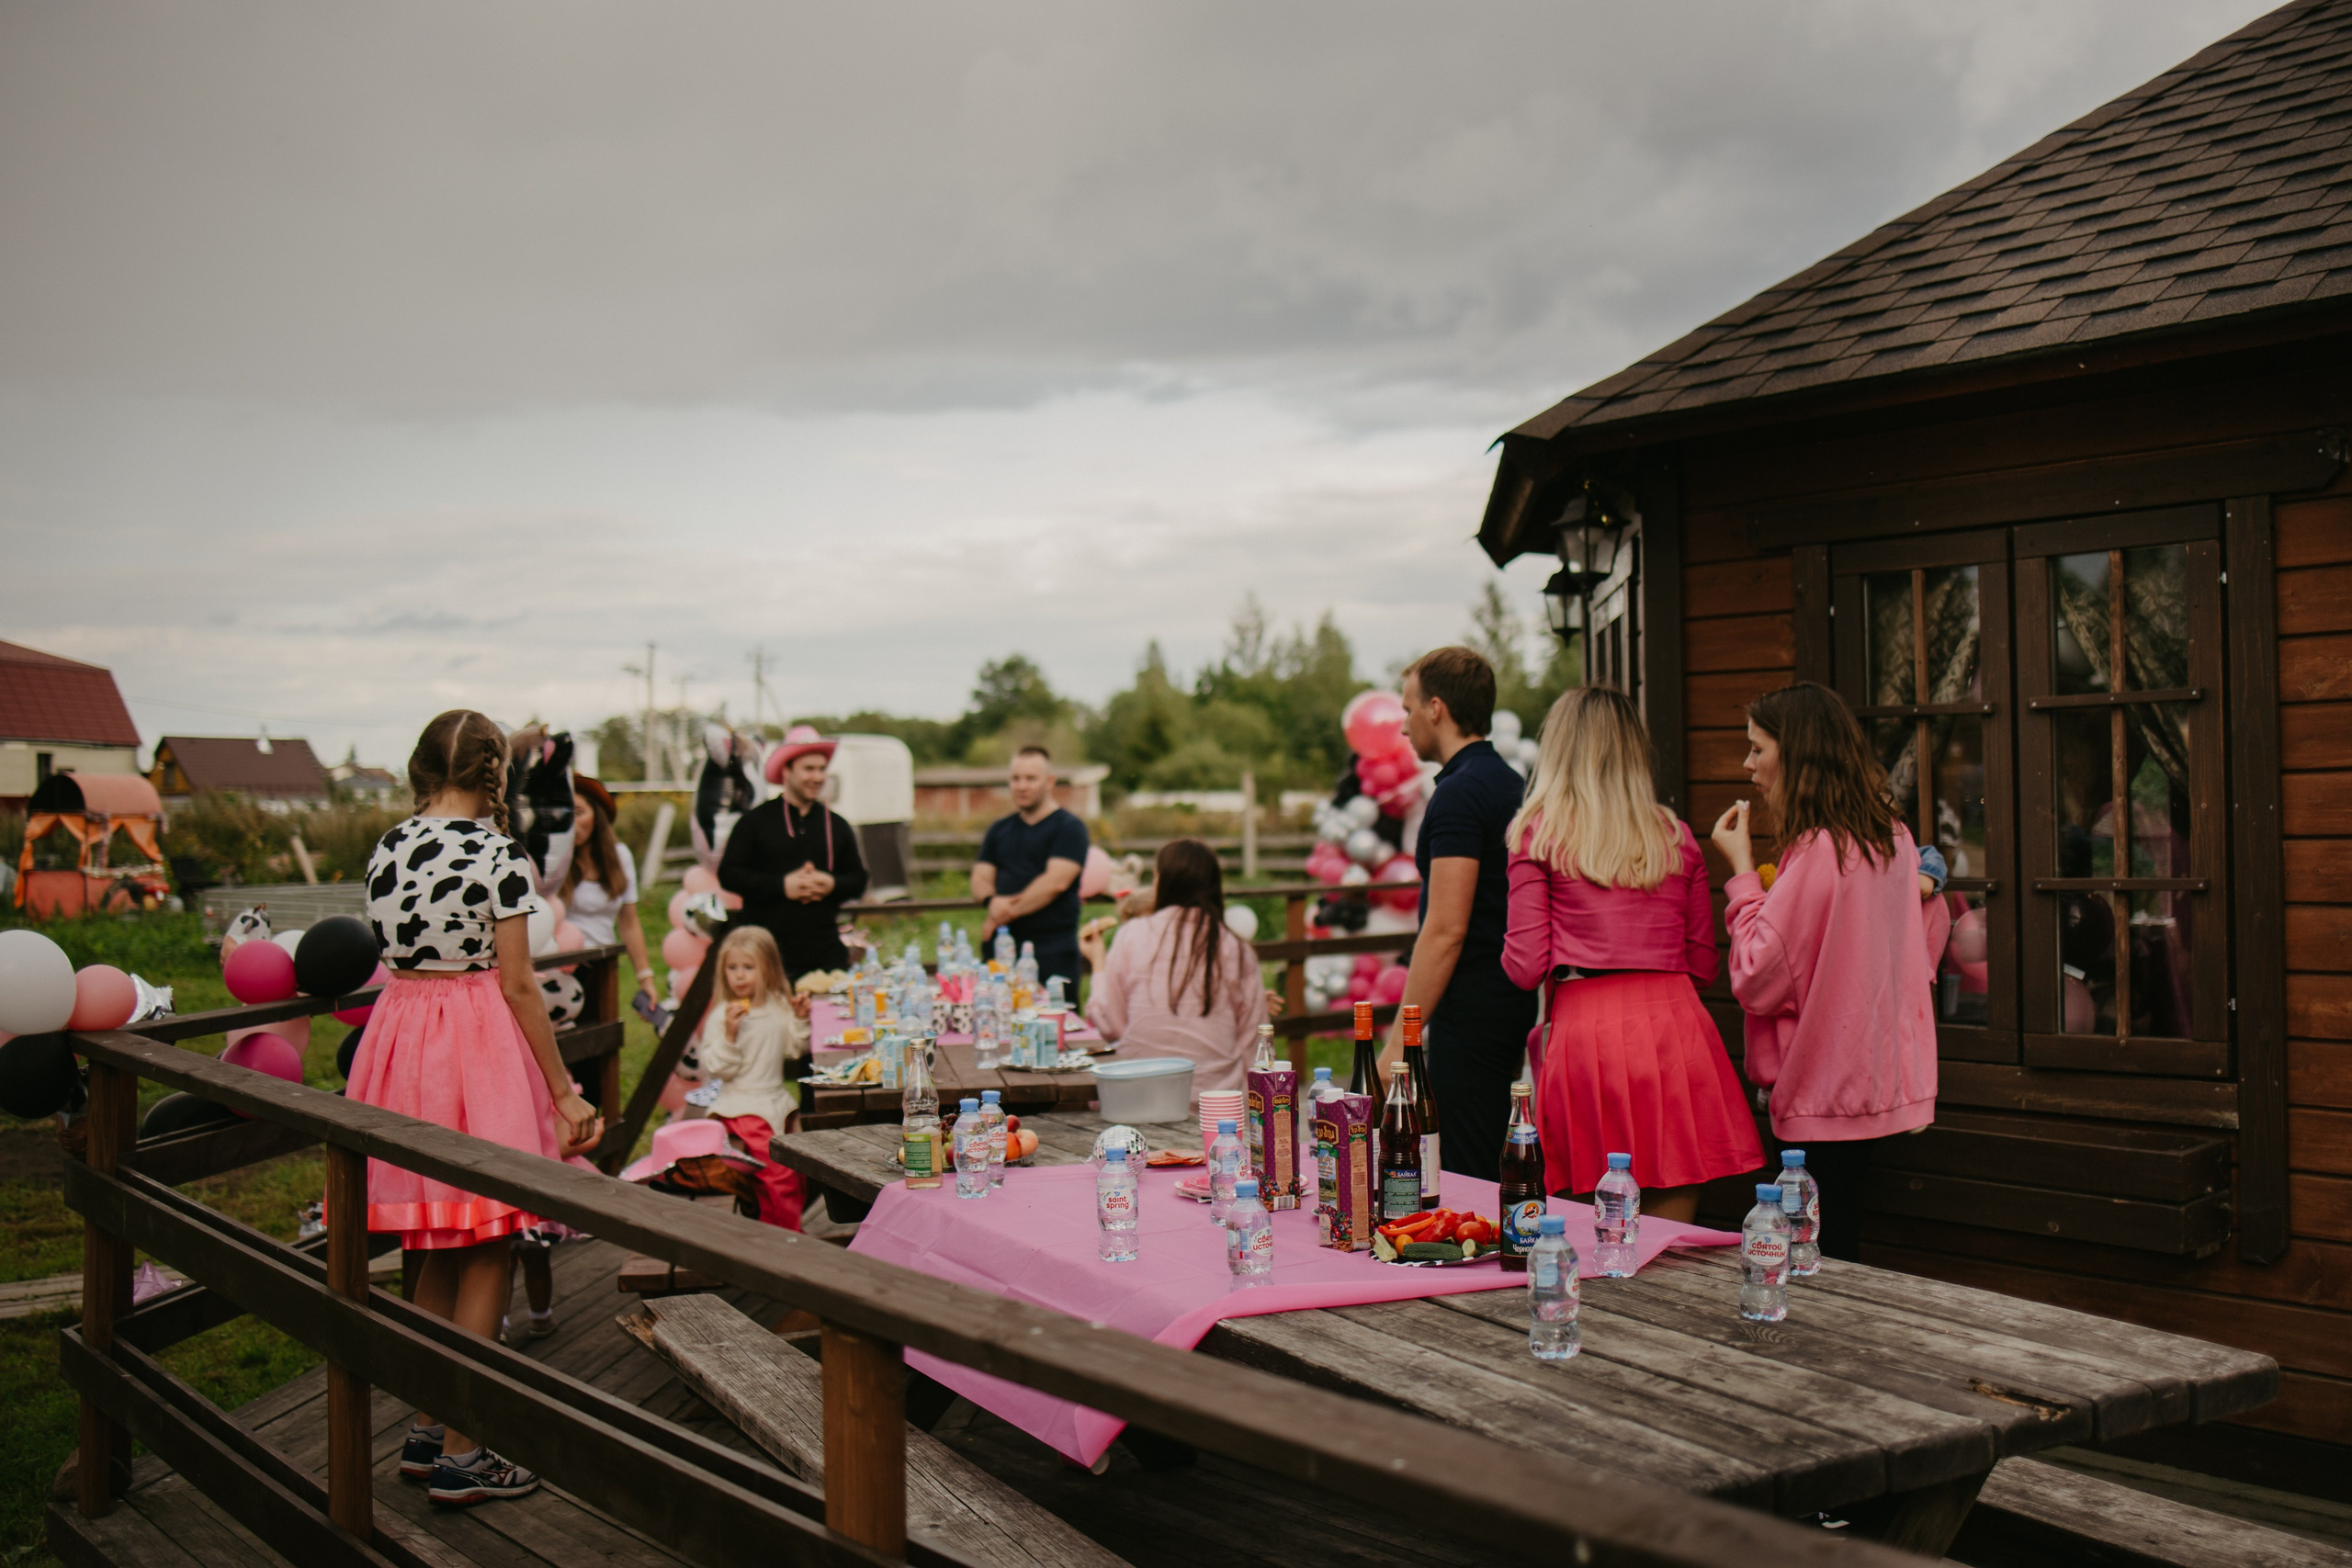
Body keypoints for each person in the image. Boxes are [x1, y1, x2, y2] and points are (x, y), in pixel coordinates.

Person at [356, 708, 597, 1509]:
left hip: (402, 1037)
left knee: (436, 1241)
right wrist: (562, 1089)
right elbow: (520, 981)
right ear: (495, 772)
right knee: (489, 1237)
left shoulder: (388, 845)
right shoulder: (498, 853)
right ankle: (466, 1452)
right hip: (472, 1043)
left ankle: (429, 1428)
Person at [1500, 687, 1760, 1219]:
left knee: (1588, 1222)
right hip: (1675, 1028)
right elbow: (1704, 966)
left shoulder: (1538, 834)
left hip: (1586, 1033)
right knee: (1670, 1211)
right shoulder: (1676, 835)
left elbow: (1525, 967)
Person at [1712, 682, 1949, 1263]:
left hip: (1819, 1090)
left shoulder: (1821, 848)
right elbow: (1925, 935)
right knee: (1840, 1239)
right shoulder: (1892, 838)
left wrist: (1742, 875)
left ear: (1794, 753)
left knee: (1808, 1254)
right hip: (1873, 1084)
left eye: (1757, 749)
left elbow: (1757, 975)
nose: (1749, 765)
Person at [1379, 648, 1535, 1184]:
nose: (1402, 726)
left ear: (1436, 708)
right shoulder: (1512, 783)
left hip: (1470, 1008)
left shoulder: (1460, 793)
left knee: (1465, 1169)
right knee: (1490, 1148)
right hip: (1508, 1001)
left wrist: (1401, 1036)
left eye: (1408, 709)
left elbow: (1446, 928)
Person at [1080, 839, 1270, 1093]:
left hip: (1138, 1092)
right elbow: (1254, 1044)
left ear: (1162, 883)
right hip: (1217, 1099)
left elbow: (1109, 1023)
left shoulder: (1132, 934)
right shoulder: (1237, 948)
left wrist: (1098, 963)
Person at [718, 725, 868, 980]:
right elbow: (729, 874)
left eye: (822, 769)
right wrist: (781, 886)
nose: (817, 777)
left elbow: (858, 879)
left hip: (826, 957)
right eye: (808, 769)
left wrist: (831, 884)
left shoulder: (837, 825)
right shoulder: (755, 822)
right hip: (767, 958)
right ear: (786, 771)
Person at [691, 925, 809, 1230]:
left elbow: (794, 1048)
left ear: (767, 969)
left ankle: (781, 1225)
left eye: (748, 967)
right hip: (740, 1107)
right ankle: (783, 1236)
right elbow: (717, 1068)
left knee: (796, 1169)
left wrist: (798, 1019)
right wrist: (730, 1035)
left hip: (776, 1103)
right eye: (732, 968)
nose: (739, 976)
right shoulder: (722, 1014)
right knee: (776, 1175)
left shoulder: (777, 1006)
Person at [973, 746, 1090, 993]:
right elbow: (981, 877)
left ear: (1049, 782)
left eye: (1030, 778)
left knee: (1058, 1025)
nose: (1021, 786)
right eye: (1016, 779)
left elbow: (1055, 883)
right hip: (1001, 952)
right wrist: (991, 901)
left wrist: (1000, 913)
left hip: (1052, 950)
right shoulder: (999, 829)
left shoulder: (1070, 828)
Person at [560, 775, 658, 1006]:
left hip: (602, 967)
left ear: (598, 816)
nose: (570, 823)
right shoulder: (554, 863)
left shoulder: (619, 857)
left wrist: (646, 979)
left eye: (578, 812)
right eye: (563, 813)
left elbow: (629, 922)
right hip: (559, 968)